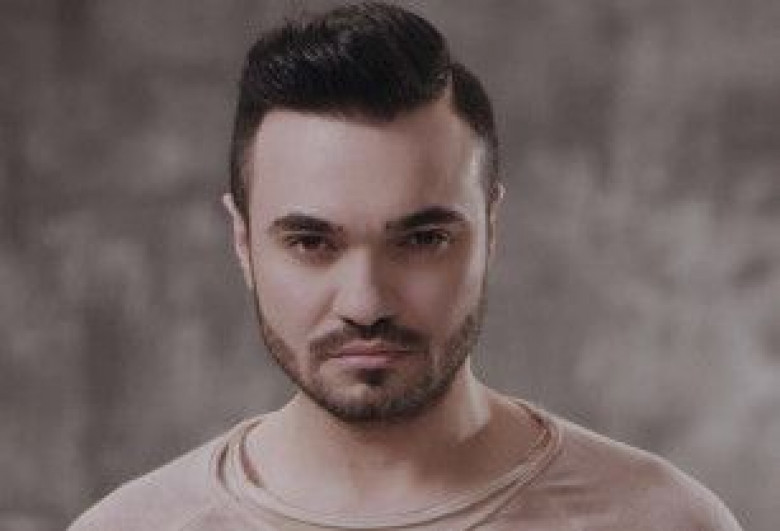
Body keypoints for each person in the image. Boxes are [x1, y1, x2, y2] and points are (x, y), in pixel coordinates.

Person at [70, 3, 743, 530]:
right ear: (243, 243)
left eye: (422, 239)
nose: (365, 302)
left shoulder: (665, 520)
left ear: (492, 230)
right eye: (311, 242)